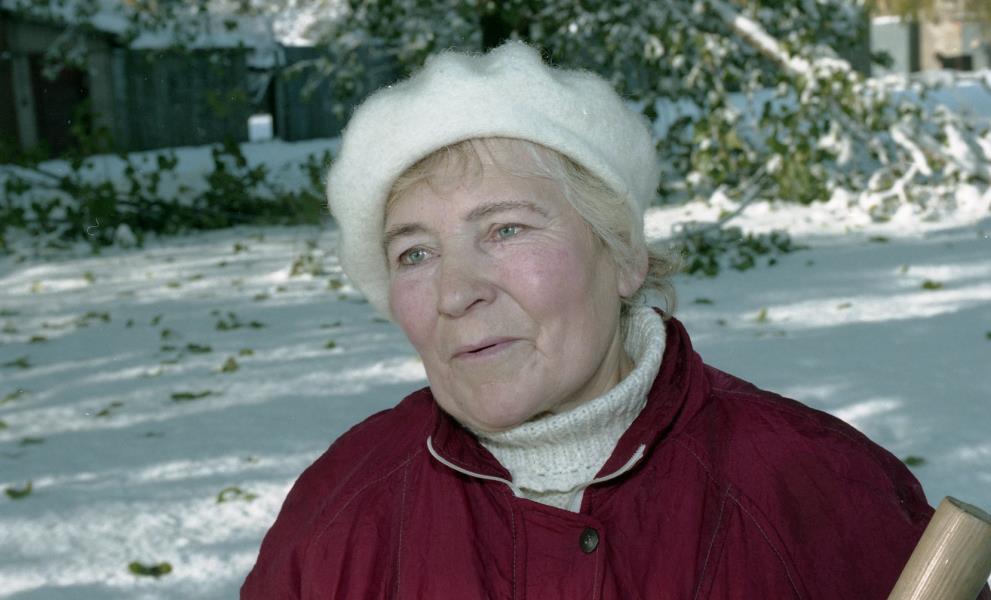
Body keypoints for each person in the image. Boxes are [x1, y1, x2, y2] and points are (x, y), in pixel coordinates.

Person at [241, 42, 985, 599]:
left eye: (505, 229)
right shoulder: (338, 511)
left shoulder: (816, 487)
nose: (456, 292)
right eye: (415, 253)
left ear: (624, 257)